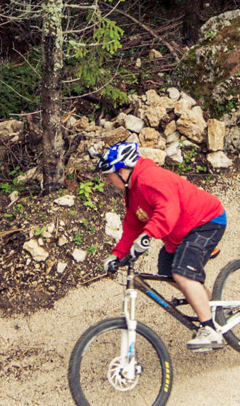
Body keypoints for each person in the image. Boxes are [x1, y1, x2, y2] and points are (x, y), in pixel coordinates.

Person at [96, 142, 230, 351]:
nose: (108, 180)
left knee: (183, 273)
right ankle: (210, 305)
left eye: (108, 175)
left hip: (206, 221)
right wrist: (116, 255)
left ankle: (209, 329)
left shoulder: (150, 178)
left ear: (122, 170)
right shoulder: (132, 193)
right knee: (167, 270)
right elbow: (132, 227)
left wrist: (149, 235)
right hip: (181, 233)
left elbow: (168, 210)